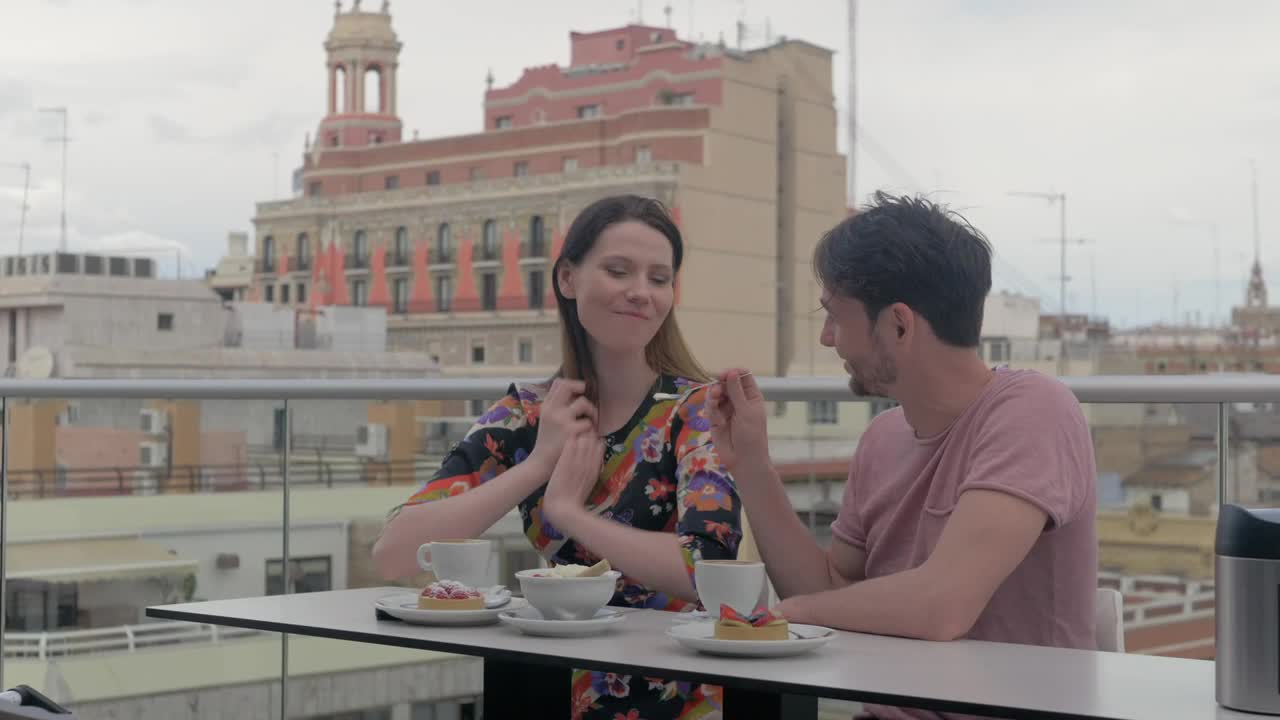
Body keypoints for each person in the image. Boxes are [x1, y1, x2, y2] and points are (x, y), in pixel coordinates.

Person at [707, 192, 1098, 720]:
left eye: (834, 317)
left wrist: (791, 614)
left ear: (898, 325)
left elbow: (941, 606)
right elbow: (828, 591)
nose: (828, 339)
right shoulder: (883, 437)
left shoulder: (1035, 411)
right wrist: (752, 466)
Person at [373, 194, 742, 720]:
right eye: (619, 271)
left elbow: (709, 570)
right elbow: (395, 553)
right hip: (549, 679)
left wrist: (571, 516)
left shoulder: (696, 410)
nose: (641, 293)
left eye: (659, 279)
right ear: (568, 279)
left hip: (679, 688)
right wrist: (538, 465)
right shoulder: (527, 412)